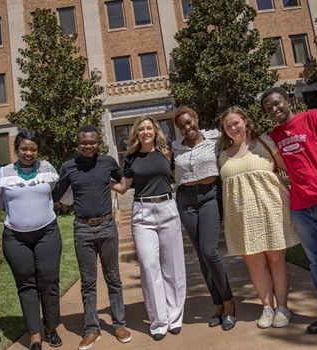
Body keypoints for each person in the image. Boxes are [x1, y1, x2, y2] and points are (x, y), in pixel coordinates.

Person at [218, 106, 299, 329]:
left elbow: (287, 169)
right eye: (228, 126)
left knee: (276, 260)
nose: (233, 128)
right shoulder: (223, 154)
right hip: (241, 218)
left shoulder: (264, 142)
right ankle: (267, 307)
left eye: (236, 123)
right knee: (254, 264)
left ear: (245, 121)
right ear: (223, 130)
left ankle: (282, 307)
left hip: (271, 210)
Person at [52, 124, 131, 350]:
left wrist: (120, 182)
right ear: (78, 144)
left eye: (92, 142)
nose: (88, 146)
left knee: (113, 278)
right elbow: (57, 194)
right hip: (83, 229)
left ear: (99, 143)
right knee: (88, 282)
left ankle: (119, 323)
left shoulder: (107, 162)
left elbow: (124, 181)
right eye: (84, 143)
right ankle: (92, 329)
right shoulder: (69, 167)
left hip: (107, 227)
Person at [112, 116, 186, 340]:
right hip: (142, 213)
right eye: (141, 129)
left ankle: (175, 317)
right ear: (136, 133)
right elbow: (124, 187)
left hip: (167, 209)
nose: (146, 132)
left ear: (155, 131)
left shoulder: (167, 154)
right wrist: (98, 179)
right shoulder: (131, 158)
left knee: (173, 266)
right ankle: (158, 321)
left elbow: (179, 177)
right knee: (149, 266)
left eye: (149, 128)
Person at [261, 87, 317, 334]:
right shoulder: (274, 136)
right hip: (300, 207)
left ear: (288, 101)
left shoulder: (312, 117)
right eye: (269, 109)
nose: (275, 109)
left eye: (277, 103)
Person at [172, 106, 235, 331]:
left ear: (197, 119)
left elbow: (237, 140)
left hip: (210, 197)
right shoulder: (175, 147)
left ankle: (229, 304)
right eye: (182, 126)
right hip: (186, 200)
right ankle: (218, 306)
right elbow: (172, 171)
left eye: (190, 122)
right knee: (201, 256)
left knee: (210, 252)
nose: (187, 127)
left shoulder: (216, 138)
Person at [0, 130, 63, 350]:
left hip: (47, 234)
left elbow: (59, 193)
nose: (28, 153)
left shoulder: (47, 168)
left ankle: (51, 328)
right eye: (24, 148)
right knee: (26, 285)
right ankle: (35, 335)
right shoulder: (4, 172)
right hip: (16, 238)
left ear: (38, 151)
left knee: (49, 281)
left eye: (33, 149)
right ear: (17, 148)